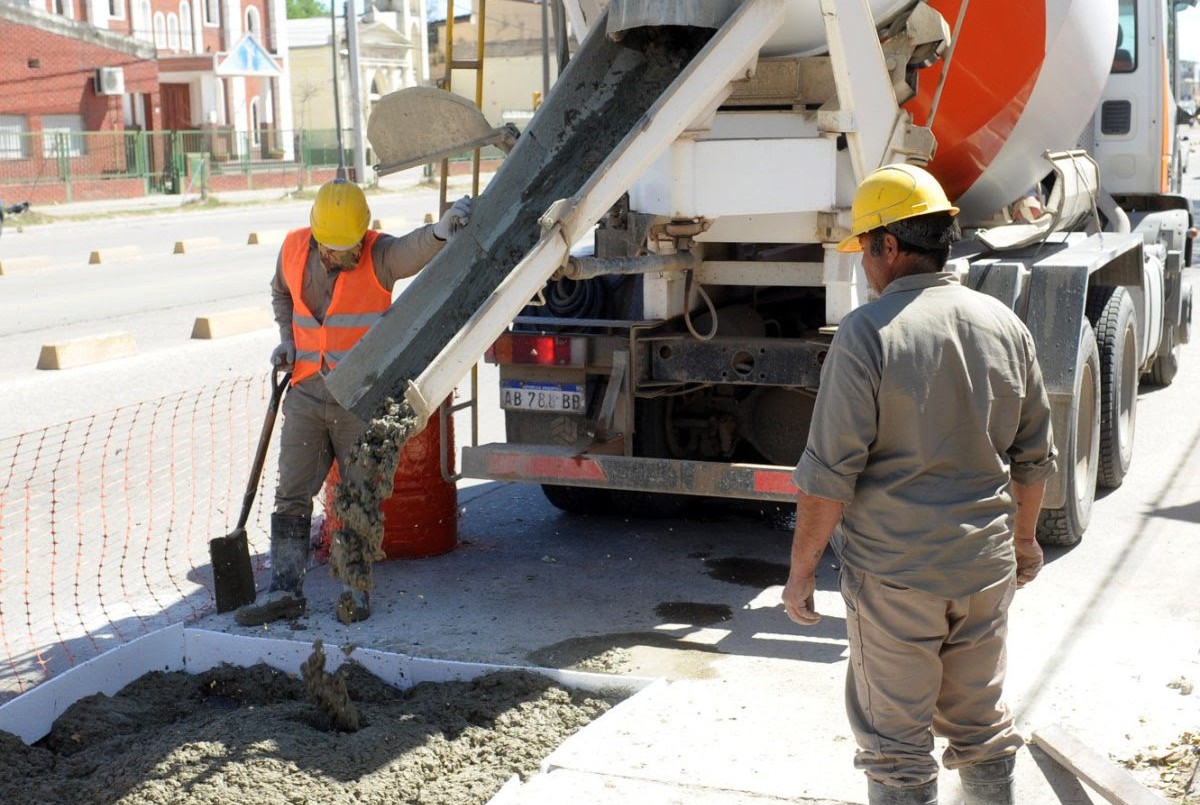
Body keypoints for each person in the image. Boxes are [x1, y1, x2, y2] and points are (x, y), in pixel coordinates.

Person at [781, 163, 1057, 805]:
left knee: (896, 749)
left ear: (889, 246)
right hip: (984, 570)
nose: (865, 269)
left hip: (897, 577)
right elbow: (1034, 455)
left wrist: (800, 573)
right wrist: (1022, 541)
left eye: (866, 253)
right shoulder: (1002, 324)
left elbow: (828, 475)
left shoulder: (869, 332)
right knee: (982, 726)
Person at [235, 178, 471, 627]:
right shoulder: (292, 249)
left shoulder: (379, 255)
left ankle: (355, 591)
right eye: (328, 248)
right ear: (315, 233)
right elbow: (281, 292)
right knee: (291, 495)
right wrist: (287, 340)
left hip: (359, 400)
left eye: (345, 248)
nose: (335, 256)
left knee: (358, 495)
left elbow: (412, 250)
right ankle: (285, 591)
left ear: (362, 235)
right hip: (306, 391)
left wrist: (441, 231)